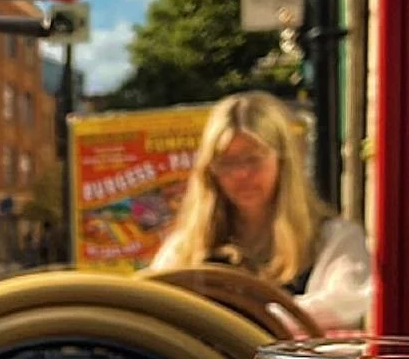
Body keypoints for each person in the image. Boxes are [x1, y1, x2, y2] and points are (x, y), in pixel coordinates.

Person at [146, 91, 373, 331]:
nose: (241, 174)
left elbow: (346, 304)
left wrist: (239, 319)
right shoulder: (186, 248)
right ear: (209, 171)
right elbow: (156, 304)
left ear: (283, 160)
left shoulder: (335, 239)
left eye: (253, 158)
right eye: (227, 162)